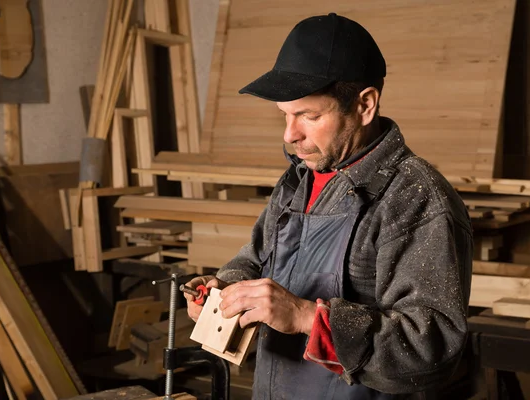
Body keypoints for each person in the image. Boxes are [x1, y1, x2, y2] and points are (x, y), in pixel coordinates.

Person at [184, 13, 473, 399]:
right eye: (285, 116)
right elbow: (254, 260)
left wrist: (307, 318)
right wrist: (226, 290)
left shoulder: (414, 197)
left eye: (309, 115)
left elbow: (431, 348)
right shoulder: (299, 181)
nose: (290, 135)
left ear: (365, 105)